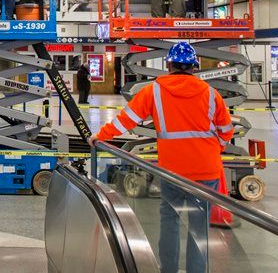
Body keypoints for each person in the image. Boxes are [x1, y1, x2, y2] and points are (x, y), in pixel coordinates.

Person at [88, 42, 234, 273]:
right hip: (206, 171)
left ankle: (168, 269)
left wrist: (100, 136)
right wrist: (218, 148)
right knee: (199, 228)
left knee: (170, 222)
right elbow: (226, 130)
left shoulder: (154, 91)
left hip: (172, 171)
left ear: (168, 65)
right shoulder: (211, 94)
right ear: (194, 67)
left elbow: (126, 120)